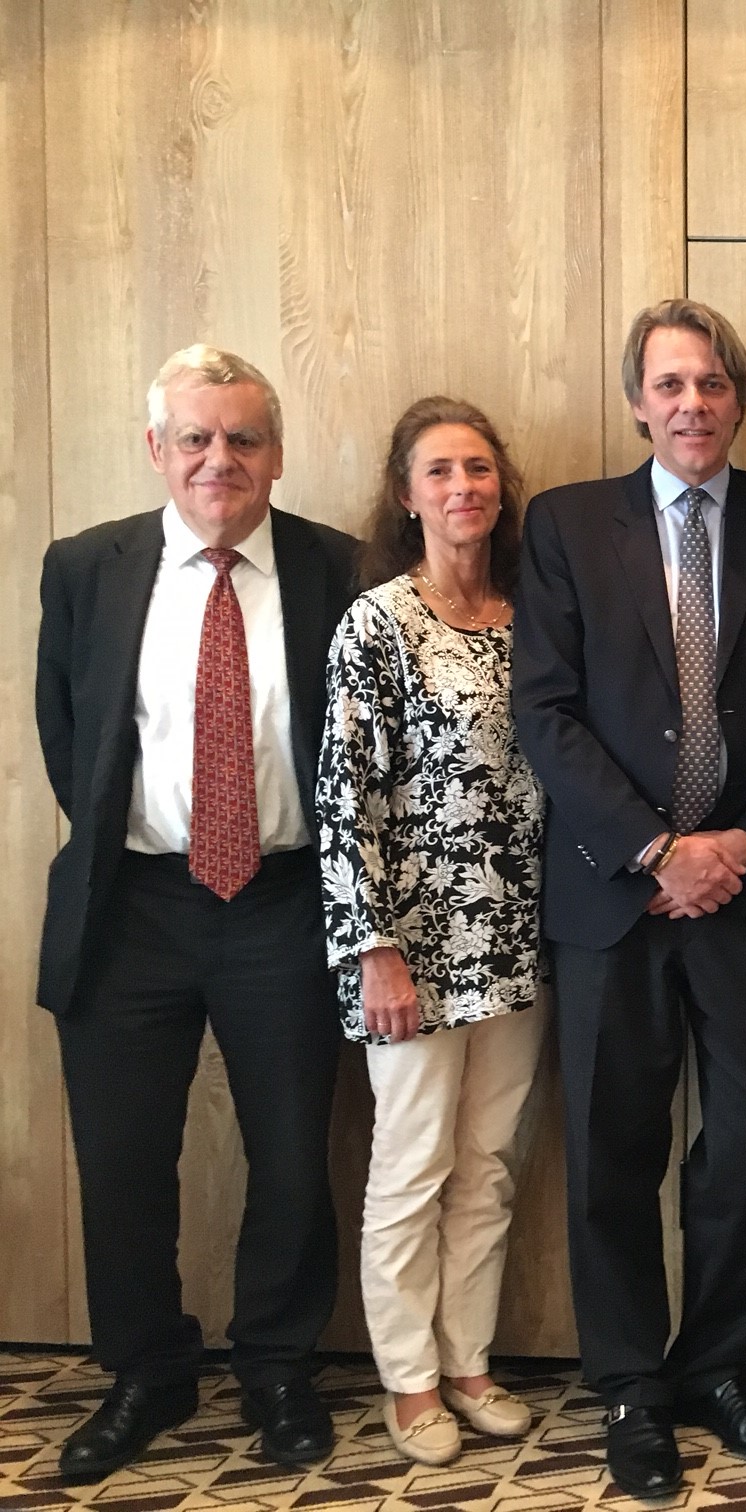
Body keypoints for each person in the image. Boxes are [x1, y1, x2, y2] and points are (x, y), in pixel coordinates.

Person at [511, 299, 746, 1498]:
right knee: (610, 1148)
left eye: (711, 382)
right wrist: (657, 850)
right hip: (615, 894)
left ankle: (715, 1367)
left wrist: (739, 846)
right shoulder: (565, 526)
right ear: (638, 401)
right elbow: (543, 711)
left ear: (737, 399)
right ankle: (627, 1390)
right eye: (670, 384)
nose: (692, 403)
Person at [35, 345, 358, 1482]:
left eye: (244, 440)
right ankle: (146, 1372)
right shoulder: (86, 567)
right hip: (133, 908)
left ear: (277, 453)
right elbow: (67, 740)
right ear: (158, 449)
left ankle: (277, 1363)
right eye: (196, 439)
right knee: (123, 1158)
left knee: (289, 1151)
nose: (220, 461)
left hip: (286, 903)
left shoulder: (342, 570)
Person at [318, 397, 548, 1466]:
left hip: (520, 940)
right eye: (441, 471)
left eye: (480, 469)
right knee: (411, 1164)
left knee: (489, 1163)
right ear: (407, 495)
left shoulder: (534, 613)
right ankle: (408, 1380)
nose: (465, 486)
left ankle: (470, 1360)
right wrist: (372, 948)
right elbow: (344, 800)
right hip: (411, 948)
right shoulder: (379, 622)